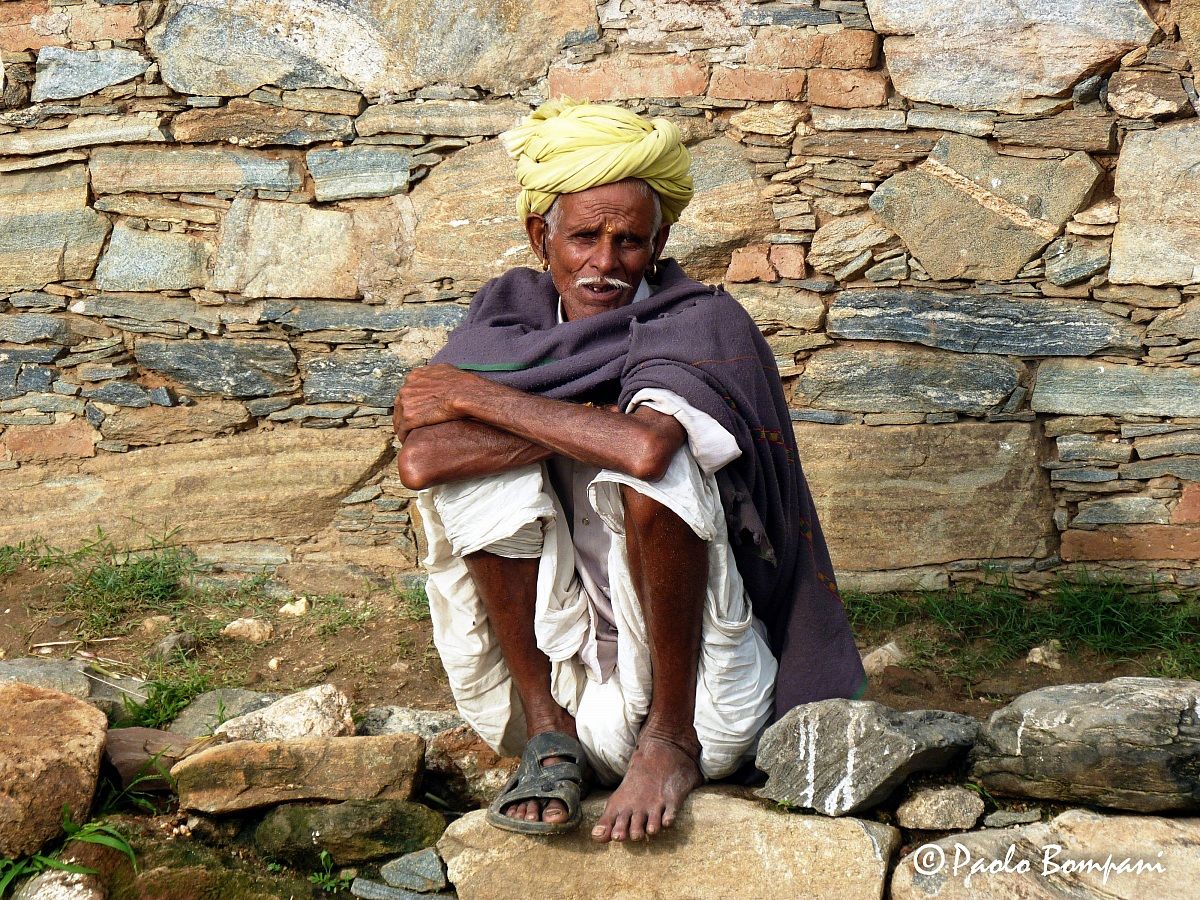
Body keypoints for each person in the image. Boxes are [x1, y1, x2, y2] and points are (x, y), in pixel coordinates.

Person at [393, 100, 865, 844]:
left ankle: (666, 742)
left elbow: (646, 453)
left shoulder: (700, 322)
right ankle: (547, 739)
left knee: (656, 475)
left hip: (709, 694)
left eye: (629, 243)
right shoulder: (508, 315)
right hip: (571, 683)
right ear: (538, 236)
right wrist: (588, 425)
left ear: (661, 242)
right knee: (476, 478)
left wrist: (478, 399)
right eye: (584, 237)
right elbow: (422, 460)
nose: (605, 264)